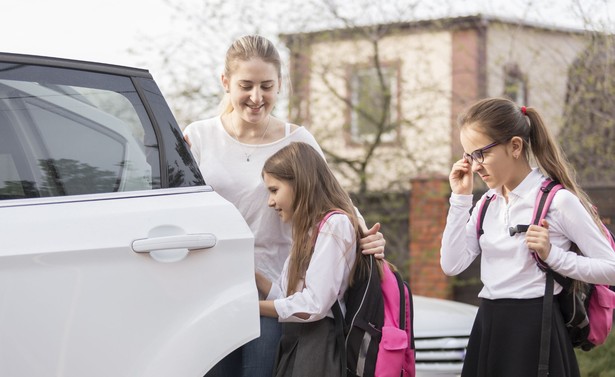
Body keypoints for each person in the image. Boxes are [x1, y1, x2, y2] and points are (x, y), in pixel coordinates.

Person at [183, 34, 386, 377]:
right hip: (213, 286)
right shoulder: (199, 137)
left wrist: (368, 238)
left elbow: (335, 199)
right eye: (246, 85)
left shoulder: (297, 139)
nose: (257, 97)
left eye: (267, 86)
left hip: (277, 288)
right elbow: (180, 208)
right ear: (226, 82)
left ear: (280, 85)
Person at [440, 97, 615, 377]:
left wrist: (553, 256)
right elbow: (451, 264)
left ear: (515, 146)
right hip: (488, 327)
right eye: (469, 156)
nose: (474, 166)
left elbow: (611, 268)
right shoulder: (486, 203)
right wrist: (460, 199)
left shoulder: (559, 201)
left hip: (536, 331)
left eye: (481, 154)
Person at [257, 141, 369, 377]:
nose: (270, 202)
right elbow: (285, 298)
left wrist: (250, 309)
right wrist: (251, 275)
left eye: (274, 190)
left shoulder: (335, 225)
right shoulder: (308, 232)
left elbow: (314, 305)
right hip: (298, 341)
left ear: (300, 183)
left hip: (318, 345)